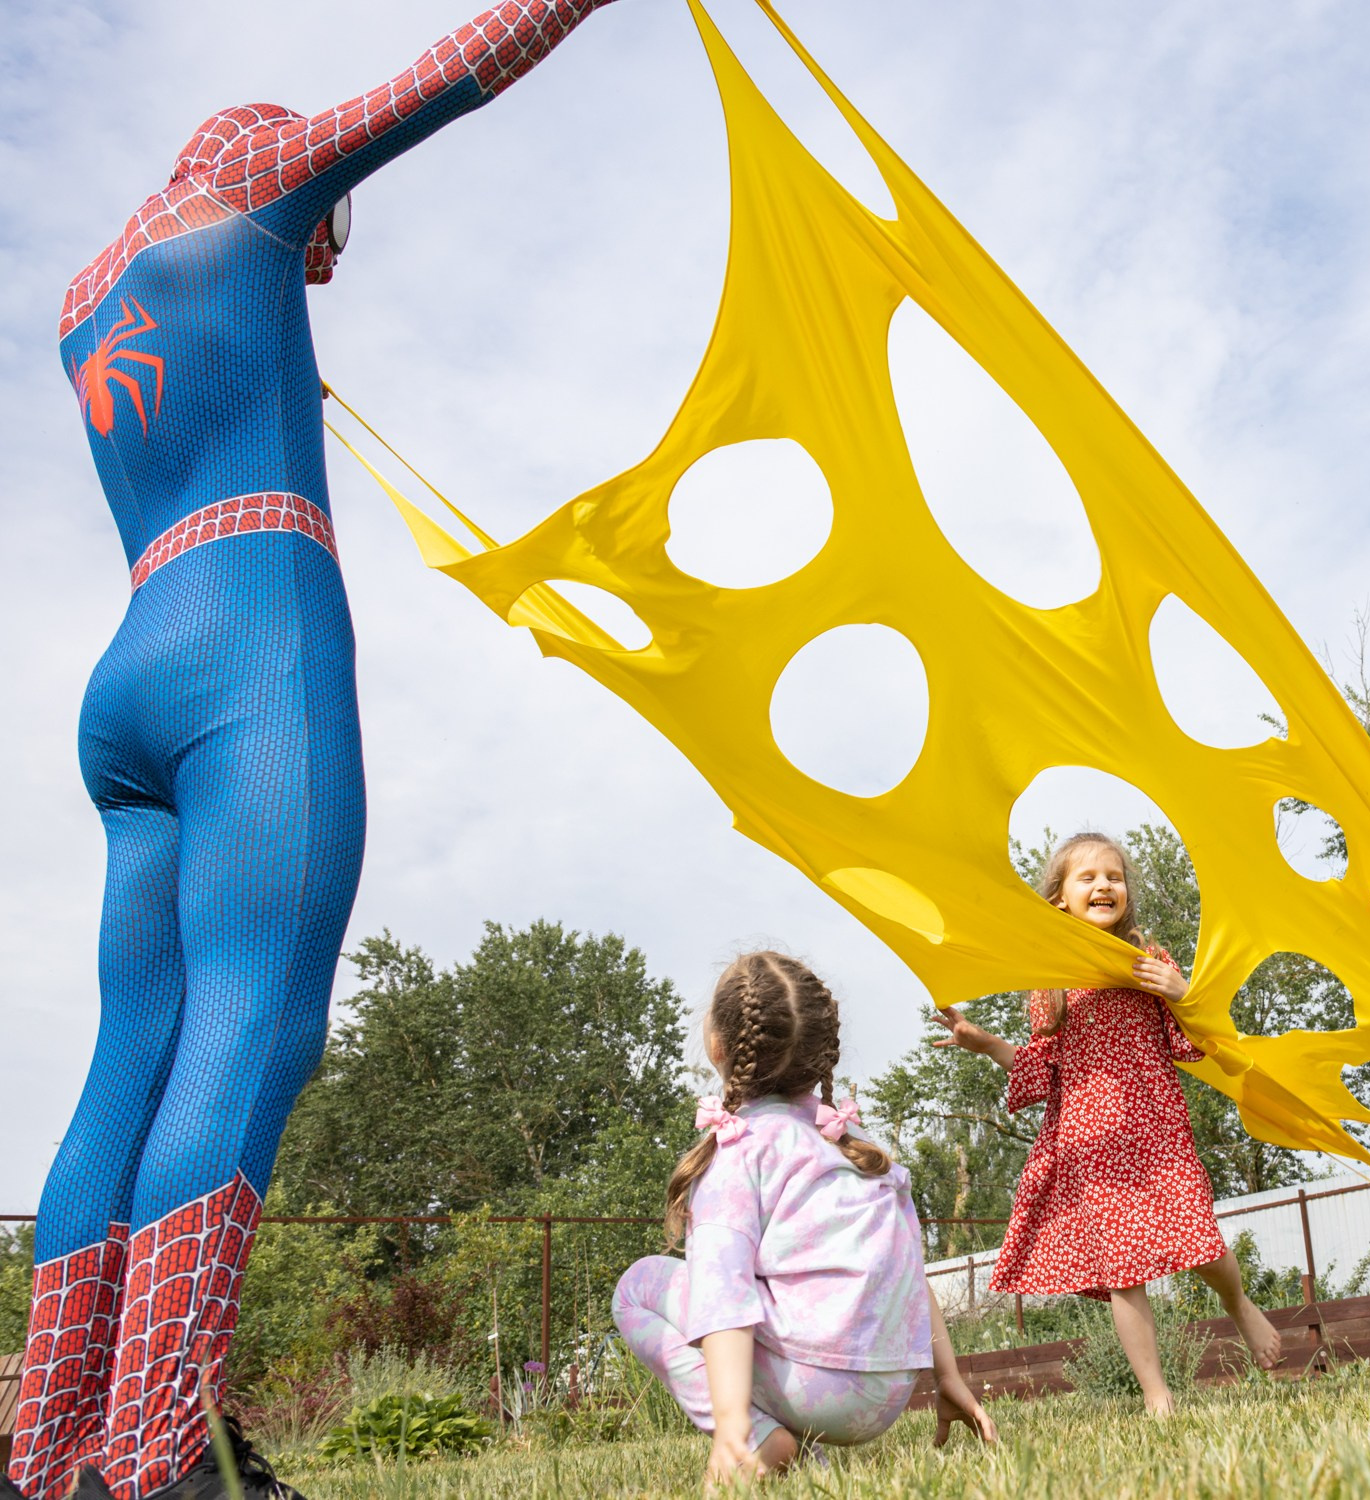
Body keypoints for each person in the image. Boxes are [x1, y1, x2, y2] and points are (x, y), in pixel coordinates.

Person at [12, 7, 630, 1498]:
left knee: (125, 1060)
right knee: (250, 1024)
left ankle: (44, 1454)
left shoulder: (86, 295)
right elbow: (451, 77)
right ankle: (158, 1463)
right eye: (327, 235)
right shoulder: (254, 186)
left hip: (130, 662)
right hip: (250, 629)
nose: (327, 258)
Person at [930, 832, 1282, 1415]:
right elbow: (1042, 1065)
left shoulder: (1148, 960)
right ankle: (1157, 1395)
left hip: (1156, 1127)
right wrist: (986, 1042)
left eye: (1114, 877)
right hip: (1090, 1140)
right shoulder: (1050, 981)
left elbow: (1202, 1038)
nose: (1104, 885)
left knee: (1200, 1238)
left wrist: (1182, 992)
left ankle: (1240, 1303)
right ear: (1059, 899)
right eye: (1088, 878)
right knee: (1124, 1269)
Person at [613, 952, 995, 1489]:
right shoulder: (859, 1150)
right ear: (822, 1053)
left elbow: (723, 1299)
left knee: (637, 1286)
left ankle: (755, 1440)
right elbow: (907, 1273)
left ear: (719, 1048)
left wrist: (729, 1428)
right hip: (887, 1395)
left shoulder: (741, 1152)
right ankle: (786, 1443)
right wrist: (948, 1377)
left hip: (816, 1387)